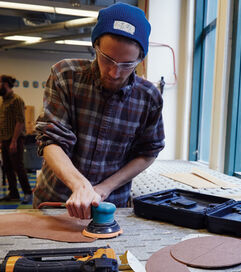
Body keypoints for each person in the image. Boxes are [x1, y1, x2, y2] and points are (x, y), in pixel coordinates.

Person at [33, 2, 165, 219]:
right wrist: (79, 184)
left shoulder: (149, 97)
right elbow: (50, 140)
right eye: (108, 59)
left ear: (140, 59)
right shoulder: (65, 75)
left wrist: (105, 188)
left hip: (111, 205)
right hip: (56, 200)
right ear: (95, 46)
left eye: (127, 64)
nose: (114, 72)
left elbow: (148, 152)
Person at [0, 75, 33, 204]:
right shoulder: (4, 101)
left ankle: (28, 193)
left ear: (5, 84)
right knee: (7, 168)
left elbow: (20, 121)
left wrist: (14, 141)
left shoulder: (16, 100)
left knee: (18, 167)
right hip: (5, 140)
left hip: (15, 140)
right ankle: (13, 193)